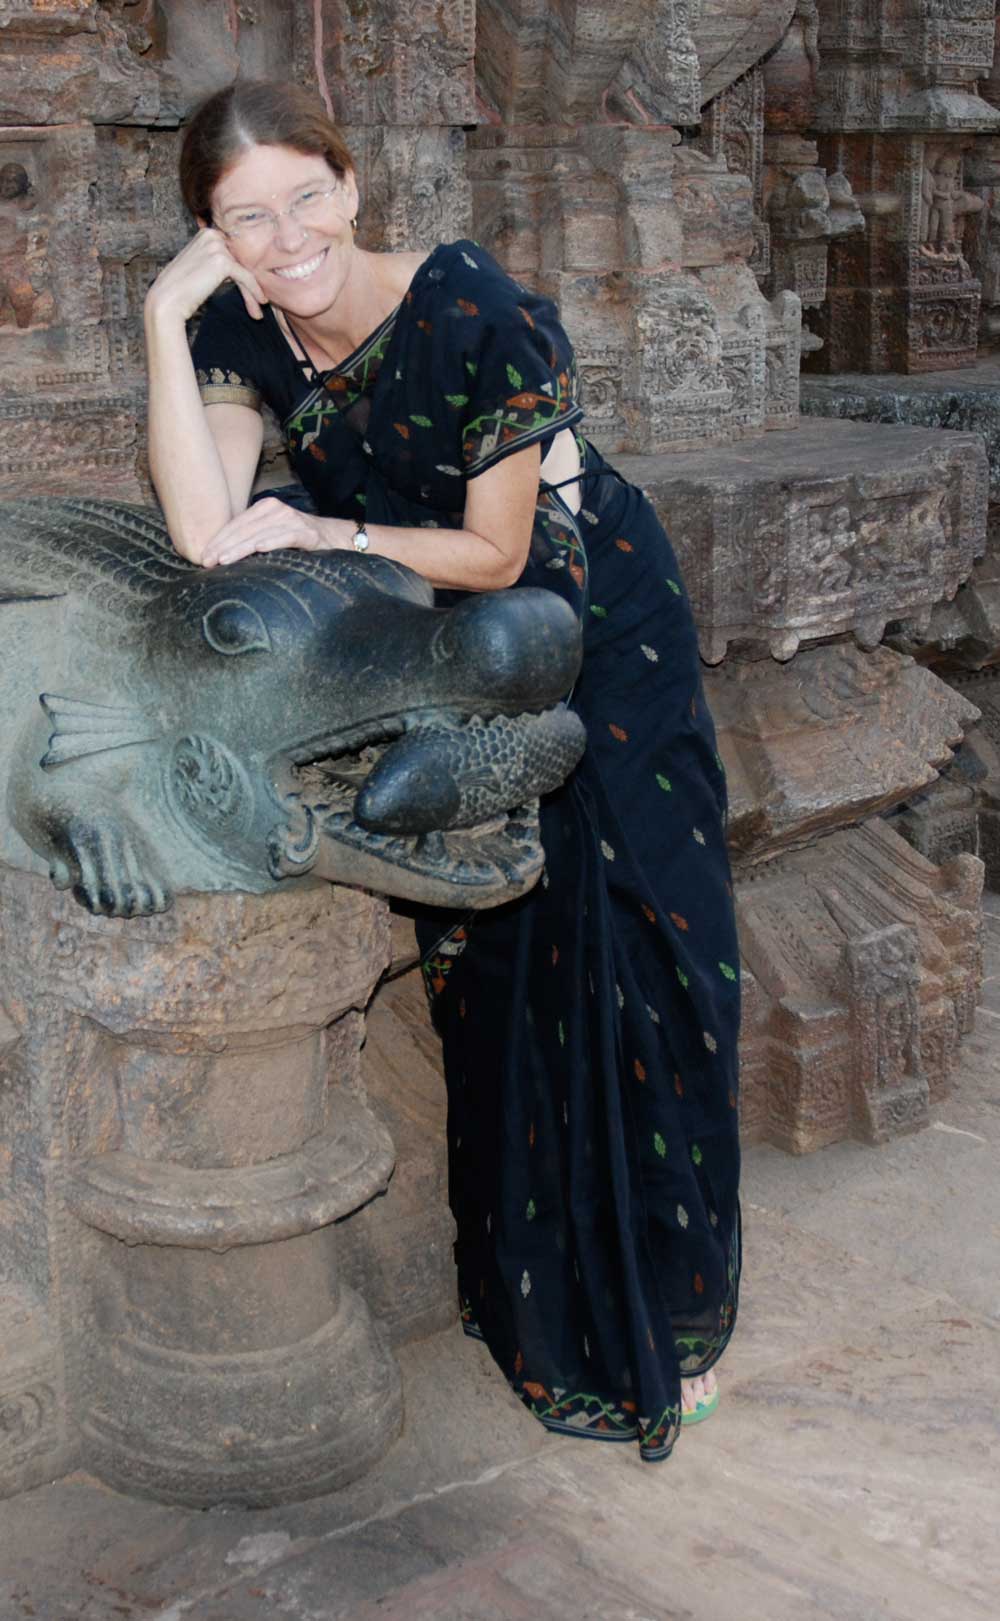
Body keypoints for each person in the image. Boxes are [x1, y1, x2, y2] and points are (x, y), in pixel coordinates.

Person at [145, 79, 741, 1458]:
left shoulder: (469, 302)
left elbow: (498, 551)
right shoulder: (239, 320)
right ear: (210, 234)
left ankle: (676, 1310)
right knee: (507, 965)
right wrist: (161, 316)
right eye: (245, 217)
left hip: (587, 614)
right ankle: (545, 1319)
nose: (287, 234)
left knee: (649, 948)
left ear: (350, 186)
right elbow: (199, 526)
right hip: (447, 643)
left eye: (306, 195)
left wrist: (329, 521)